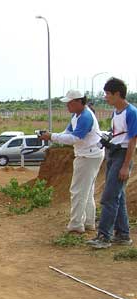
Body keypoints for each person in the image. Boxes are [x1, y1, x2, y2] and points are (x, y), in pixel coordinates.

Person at [40, 90, 105, 234]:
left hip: (88, 156)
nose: (67, 106)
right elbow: (67, 133)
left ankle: (76, 224)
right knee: (86, 190)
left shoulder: (85, 117)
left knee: (78, 191)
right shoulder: (77, 115)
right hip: (89, 154)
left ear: (79, 102)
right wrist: (52, 136)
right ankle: (88, 222)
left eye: (69, 103)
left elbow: (75, 138)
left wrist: (52, 136)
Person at [87, 77, 137, 249]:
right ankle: (123, 234)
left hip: (122, 155)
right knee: (118, 196)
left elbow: (132, 141)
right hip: (114, 153)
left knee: (109, 198)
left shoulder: (131, 112)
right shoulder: (116, 112)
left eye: (108, 94)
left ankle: (104, 236)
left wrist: (125, 166)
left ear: (117, 94)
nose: (106, 97)